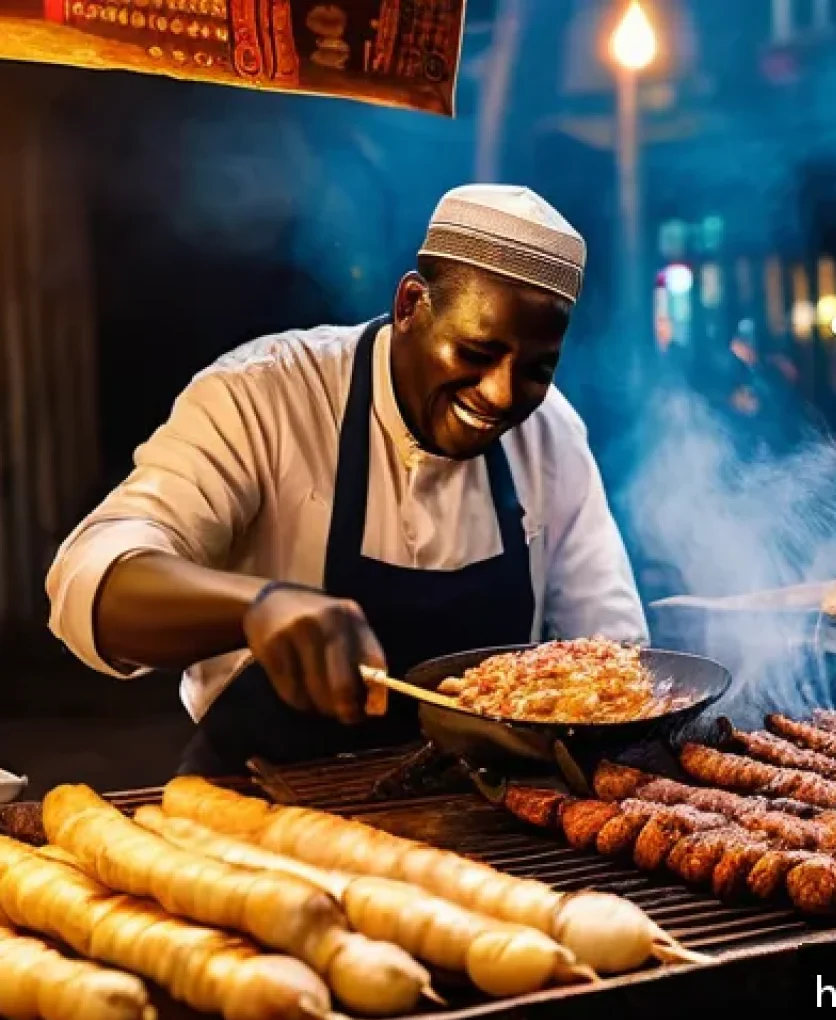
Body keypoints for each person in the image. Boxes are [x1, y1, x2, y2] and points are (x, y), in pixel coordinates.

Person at [45, 184, 649, 775]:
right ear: (411, 305)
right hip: (260, 810)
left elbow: (613, 650)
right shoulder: (264, 396)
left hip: (480, 814)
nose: (501, 394)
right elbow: (89, 579)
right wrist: (256, 606)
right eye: (475, 353)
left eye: (536, 369)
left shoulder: (549, 432)